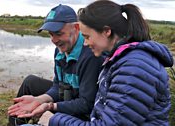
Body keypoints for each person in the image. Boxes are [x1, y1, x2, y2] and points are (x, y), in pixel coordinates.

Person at [37, 0, 174, 126]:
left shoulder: (135, 68)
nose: (85, 43)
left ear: (107, 31)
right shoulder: (120, 60)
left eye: (87, 36)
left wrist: (54, 120)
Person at [7, 4, 104, 126]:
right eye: (51, 34)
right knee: (30, 82)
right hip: (70, 95)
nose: (54, 40)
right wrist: (39, 100)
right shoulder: (60, 50)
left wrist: (50, 106)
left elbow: (87, 104)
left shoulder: (91, 54)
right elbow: (58, 85)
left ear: (76, 28)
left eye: (58, 33)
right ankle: (16, 123)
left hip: (84, 111)